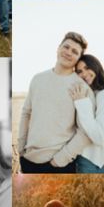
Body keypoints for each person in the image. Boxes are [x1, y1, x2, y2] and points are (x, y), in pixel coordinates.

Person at [17, 32, 90, 173]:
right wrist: (21, 147)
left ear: (78, 59)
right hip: (28, 160)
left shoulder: (81, 87)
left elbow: (85, 131)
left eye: (75, 52)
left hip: (59, 164)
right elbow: (26, 113)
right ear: (58, 48)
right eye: (66, 47)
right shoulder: (37, 79)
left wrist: (61, 159)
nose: (69, 52)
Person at [69, 55, 104, 175]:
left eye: (87, 68)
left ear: (96, 67)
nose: (84, 74)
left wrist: (81, 103)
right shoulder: (89, 92)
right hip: (85, 158)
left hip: (93, 162)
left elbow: (99, 137)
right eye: (79, 71)